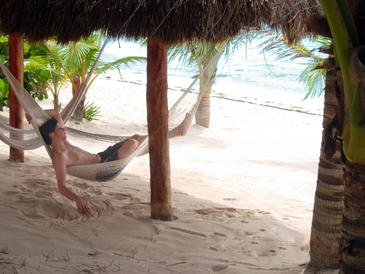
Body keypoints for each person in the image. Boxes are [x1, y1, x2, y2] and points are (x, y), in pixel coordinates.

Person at [28, 109, 191, 215]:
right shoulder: (59, 156)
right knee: (134, 145)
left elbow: (56, 113)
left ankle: (174, 134)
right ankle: (175, 133)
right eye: (59, 128)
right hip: (103, 169)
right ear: (52, 136)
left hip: (104, 156)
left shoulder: (64, 141)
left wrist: (32, 114)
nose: (63, 128)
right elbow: (61, 186)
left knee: (136, 138)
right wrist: (77, 199)